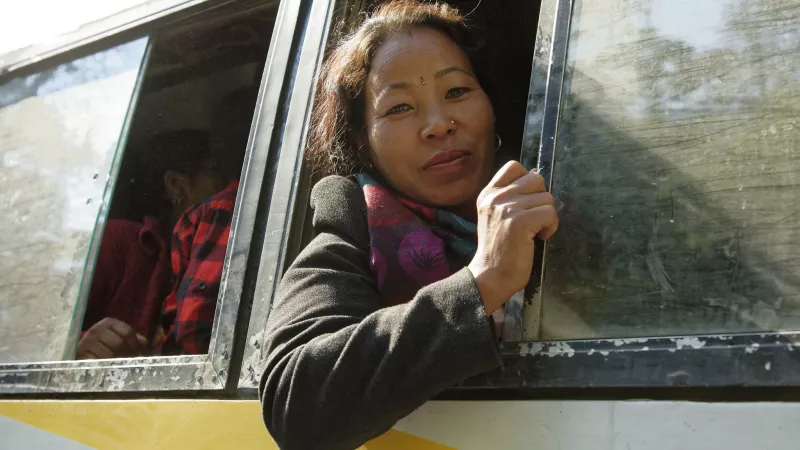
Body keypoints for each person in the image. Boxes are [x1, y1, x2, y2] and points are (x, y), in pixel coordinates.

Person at [258, 2, 559, 449]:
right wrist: (482, 283)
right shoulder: (352, 232)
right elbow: (295, 403)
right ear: (364, 140)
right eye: (399, 108)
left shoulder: (553, 199)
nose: (438, 125)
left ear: (491, 106)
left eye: (457, 92)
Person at [77, 130, 227, 359]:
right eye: (216, 170)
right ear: (177, 185)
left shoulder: (215, 267)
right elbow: (38, 334)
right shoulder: (116, 241)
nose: (233, 187)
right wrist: (78, 348)